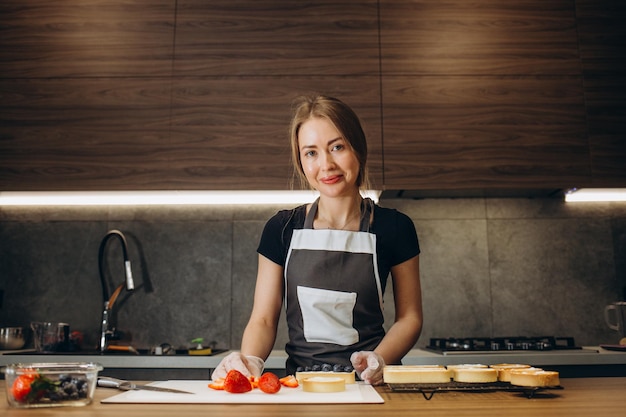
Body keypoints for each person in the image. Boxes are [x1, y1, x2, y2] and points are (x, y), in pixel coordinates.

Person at [212, 94, 423, 385]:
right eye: (311, 152)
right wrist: (250, 362)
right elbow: (263, 319)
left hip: (371, 389)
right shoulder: (281, 229)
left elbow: (410, 318)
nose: (326, 164)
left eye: (337, 147)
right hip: (302, 388)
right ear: (300, 161)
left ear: (358, 149)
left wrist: (379, 360)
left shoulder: (395, 227)